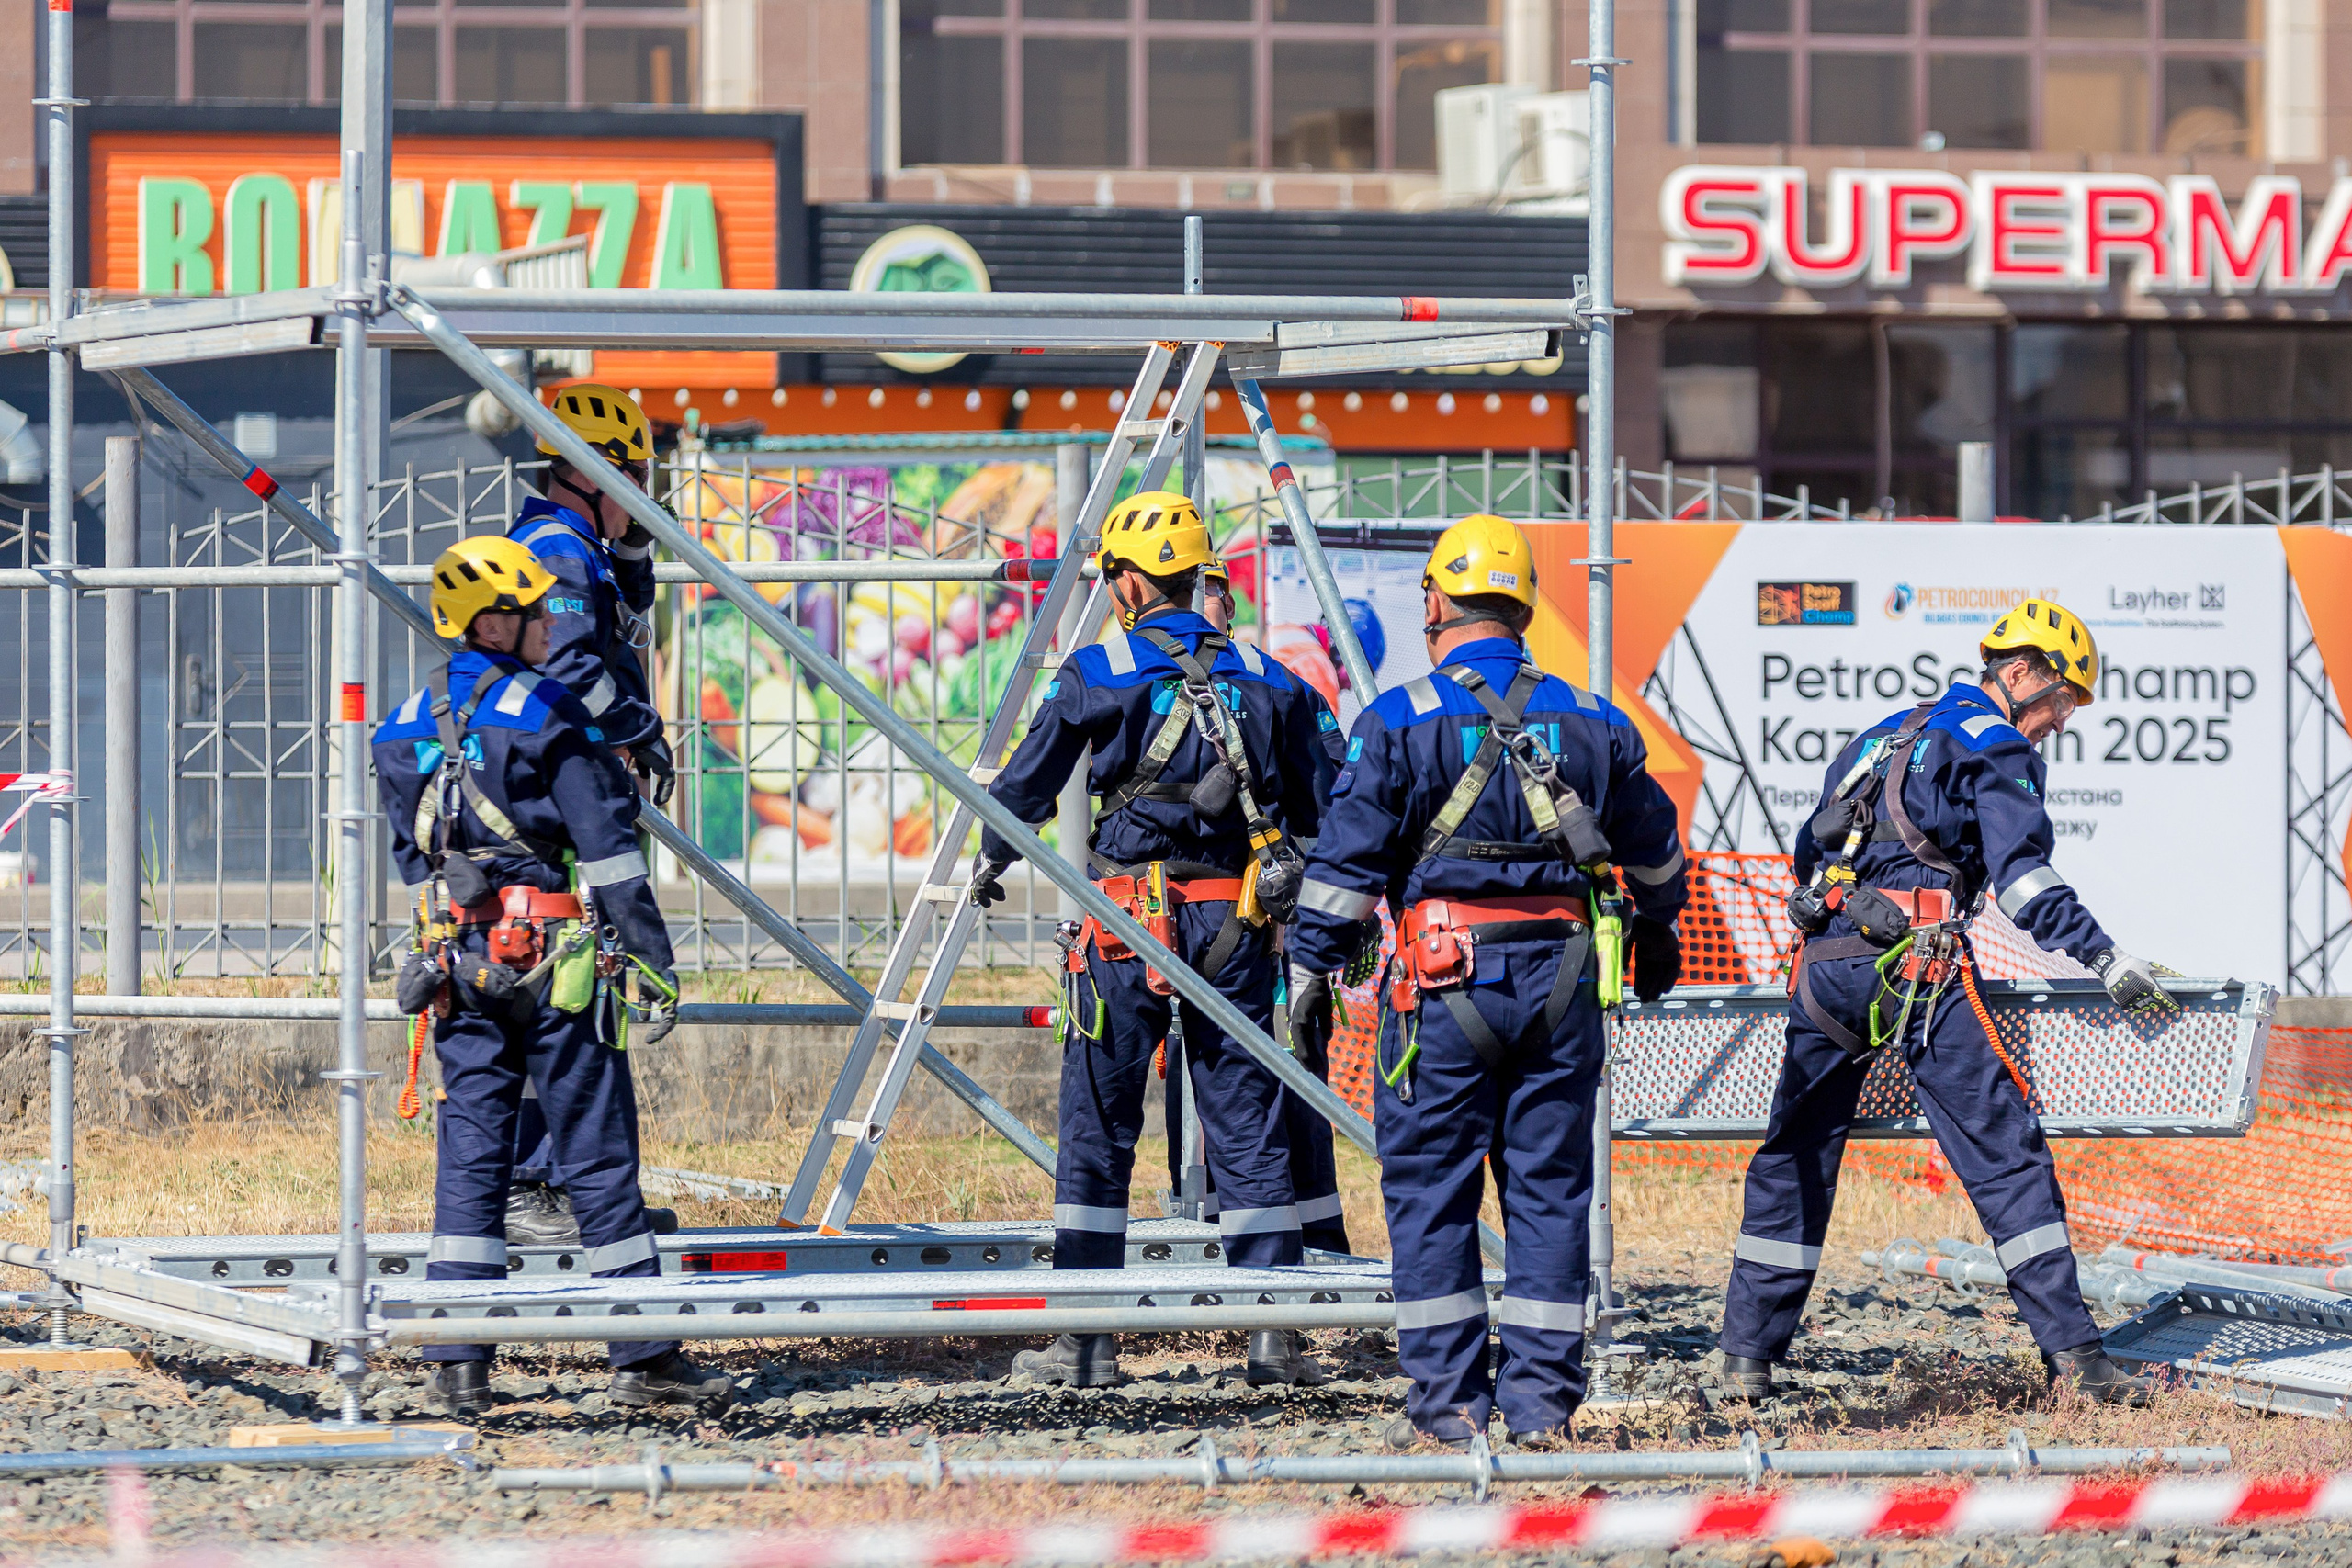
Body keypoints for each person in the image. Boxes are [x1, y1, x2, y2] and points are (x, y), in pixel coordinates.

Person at [1286, 514, 1689, 1450]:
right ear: (1524, 604)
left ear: (1434, 600)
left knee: (1430, 1191)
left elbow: (1344, 876)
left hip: (1439, 987)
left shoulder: (1393, 722)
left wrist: (1310, 972)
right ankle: (1542, 1406)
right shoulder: (1594, 721)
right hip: (1563, 988)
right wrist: (1659, 930)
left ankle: (1451, 1406)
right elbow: (1658, 851)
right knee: (1549, 1191)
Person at [1718, 599, 2175, 1407]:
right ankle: (2076, 1358)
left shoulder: (1882, 735)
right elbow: (2024, 879)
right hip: (1918, 970)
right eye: (2061, 701)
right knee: (2004, 1151)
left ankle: (1747, 1357)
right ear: (2022, 673)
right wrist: (2104, 955)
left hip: (1826, 968)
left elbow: (1807, 856)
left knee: (1794, 1152)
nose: (2058, 724)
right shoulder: (1994, 743)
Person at [968, 491, 1339, 1389]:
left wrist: (986, 860)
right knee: (1244, 1128)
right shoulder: (1268, 676)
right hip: (1239, 927)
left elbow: (1023, 786)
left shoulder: (1098, 669)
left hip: (1125, 926)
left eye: (1109, 580)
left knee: (1098, 1128)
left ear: (1131, 581)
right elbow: (1322, 802)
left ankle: (1085, 1343)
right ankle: (1271, 1336)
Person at [374, 536, 733, 1420]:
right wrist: (651, 960)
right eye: (533, 612)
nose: (547, 627)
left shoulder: (399, 724)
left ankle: (460, 1360)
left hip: (455, 963)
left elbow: (410, 854)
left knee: (471, 1157)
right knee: (598, 1151)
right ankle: (643, 1359)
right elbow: (611, 855)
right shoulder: (550, 711)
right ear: (493, 620)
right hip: (553, 966)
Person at [502, 383, 677, 1246]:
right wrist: (641, 728)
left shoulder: (582, 548)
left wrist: (635, 549)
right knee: (561, 991)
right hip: (556, 796)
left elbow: (625, 628)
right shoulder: (559, 552)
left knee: (575, 987)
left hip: (565, 790)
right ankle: (536, 1185)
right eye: (632, 475)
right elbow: (574, 670)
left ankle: (563, 1184)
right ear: (585, 472)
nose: (647, 490)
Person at [1167, 557, 1351, 1257]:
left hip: (1275, 933)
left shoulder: (1279, 689)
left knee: (1290, 1086)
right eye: (1188, 590)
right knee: (1209, 1087)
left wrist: (1312, 917)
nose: (1196, 606)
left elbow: (1332, 802)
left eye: (1208, 593)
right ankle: (1218, 1235)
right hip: (1185, 925)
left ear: (1227, 607)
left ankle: (1316, 1249)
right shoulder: (1161, 686)